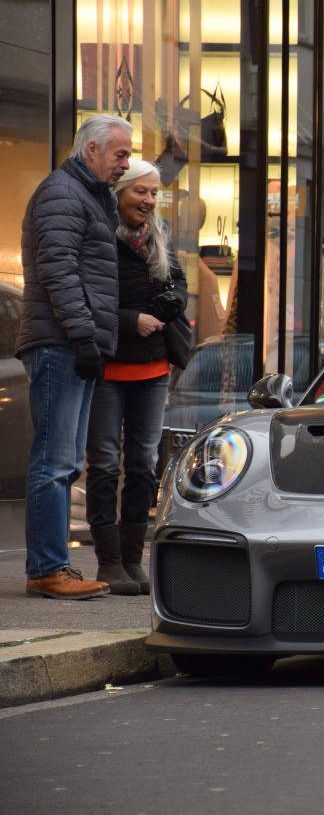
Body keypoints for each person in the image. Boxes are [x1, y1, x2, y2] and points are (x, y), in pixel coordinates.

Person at [18, 113, 132, 600]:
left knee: (64, 460)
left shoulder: (86, 195)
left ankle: (52, 565)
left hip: (72, 340)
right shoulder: (63, 193)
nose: (125, 164)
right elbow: (59, 271)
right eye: (120, 153)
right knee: (55, 459)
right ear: (91, 151)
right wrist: (83, 336)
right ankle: (47, 568)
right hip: (61, 342)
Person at [85, 160, 188, 595]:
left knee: (144, 463)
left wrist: (163, 310)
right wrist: (133, 321)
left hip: (153, 366)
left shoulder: (159, 236)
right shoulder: (98, 234)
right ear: (119, 193)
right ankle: (108, 562)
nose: (148, 201)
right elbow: (87, 299)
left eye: (153, 193)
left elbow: (178, 287)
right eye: (139, 192)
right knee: (106, 462)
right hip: (109, 365)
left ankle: (132, 559)